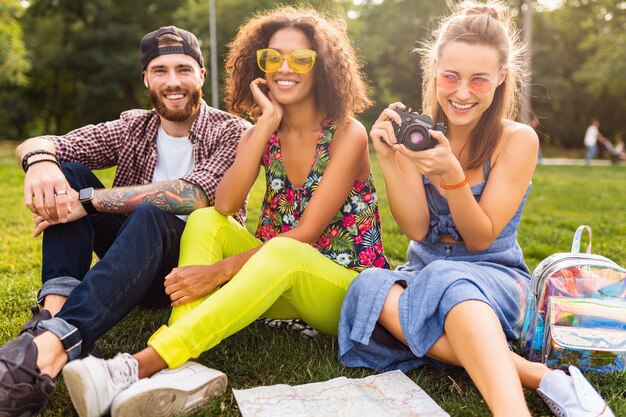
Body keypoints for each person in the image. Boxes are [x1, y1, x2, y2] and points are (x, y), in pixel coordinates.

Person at [60, 6, 390, 417]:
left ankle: (140, 365)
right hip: (274, 279)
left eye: (300, 59)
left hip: (343, 288)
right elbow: (226, 205)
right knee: (203, 219)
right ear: (260, 64)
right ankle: (187, 368)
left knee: (285, 250)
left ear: (322, 67)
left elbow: (306, 234)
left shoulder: (347, 132)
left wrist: (218, 272)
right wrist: (266, 123)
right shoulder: (259, 132)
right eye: (273, 58)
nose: (284, 68)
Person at [337, 2, 614, 417]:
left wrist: (451, 175)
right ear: (434, 71)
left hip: (495, 276)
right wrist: (392, 162)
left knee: (455, 285)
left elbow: (481, 236)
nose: (461, 93)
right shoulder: (418, 135)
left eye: (478, 80)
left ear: (501, 78)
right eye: (451, 76)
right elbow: (415, 229)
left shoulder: (517, 139)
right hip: (424, 271)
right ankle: (543, 378)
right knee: (367, 287)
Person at [0, 26, 250, 417]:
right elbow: (46, 143)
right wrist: (39, 163)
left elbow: (193, 195)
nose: (173, 82)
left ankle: (49, 345)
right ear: (146, 79)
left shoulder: (232, 131)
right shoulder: (134, 125)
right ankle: (53, 313)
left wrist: (91, 202)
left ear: (201, 75)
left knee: (149, 211)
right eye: (160, 70)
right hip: (135, 261)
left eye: (183, 69)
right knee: (70, 173)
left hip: (190, 273)